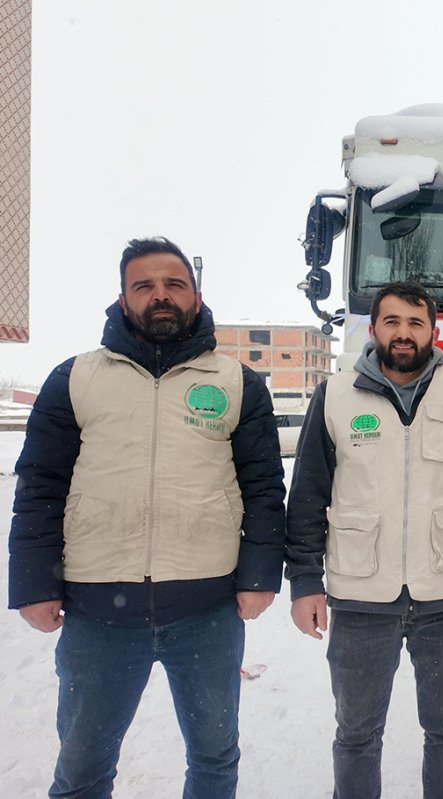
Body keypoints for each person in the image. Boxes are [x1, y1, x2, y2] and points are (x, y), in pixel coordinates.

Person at [8, 236, 286, 798]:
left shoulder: (237, 384)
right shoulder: (75, 379)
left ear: (196, 295)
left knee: (213, 758)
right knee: (82, 767)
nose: (161, 296)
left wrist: (260, 575)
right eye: (145, 286)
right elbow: (40, 487)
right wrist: (34, 585)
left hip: (206, 609)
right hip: (96, 613)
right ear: (123, 297)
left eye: (173, 284)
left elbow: (263, 489)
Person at [285, 281, 443, 799]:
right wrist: (304, 582)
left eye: (415, 323)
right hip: (362, 598)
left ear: (434, 331)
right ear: (374, 330)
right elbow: (306, 500)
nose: (403, 334)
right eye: (392, 322)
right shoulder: (335, 397)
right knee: (357, 734)